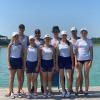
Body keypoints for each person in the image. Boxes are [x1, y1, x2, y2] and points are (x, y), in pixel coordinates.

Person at [6, 32, 25, 99]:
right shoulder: (10, 45)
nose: (16, 37)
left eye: (17, 36)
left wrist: (23, 64)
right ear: (13, 37)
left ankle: (19, 92)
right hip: (12, 61)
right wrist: (8, 64)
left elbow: (23, 55)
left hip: (19, 61)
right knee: (11, 78)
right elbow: (8, 55)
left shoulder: (21, 45)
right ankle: (11, 92)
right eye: (14, 36)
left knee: (19, 78)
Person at [75, 28, 93, 96]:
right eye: (82, 32)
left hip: (87, 59)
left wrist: (91, 61)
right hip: (79, 60)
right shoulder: (78, 41)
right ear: (81, 33)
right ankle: (76, 90)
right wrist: (76, 61)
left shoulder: (89, 41)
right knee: (78, 76)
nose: (83, 33)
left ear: (87, 33)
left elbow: (91, 52)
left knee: (86, 75)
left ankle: (86, 91)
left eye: (85, 32)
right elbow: (75, 52)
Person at [56, 31, 74, 98]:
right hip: (60, 60)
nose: (64, 36)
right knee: (61, 77)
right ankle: (63, 91)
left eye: (65, 35)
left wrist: (72, 64)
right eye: (63, 35)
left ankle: (69, 91)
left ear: (66, 35)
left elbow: (72, 54)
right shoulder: (59, 43)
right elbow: (57, 54)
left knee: (69, 77)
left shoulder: (70, 43)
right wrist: (56, 64)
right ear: (61, 36)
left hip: (68, 60)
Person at [70, 27, 83, 94]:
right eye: (72, 31)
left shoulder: (80, 39)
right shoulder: (68, 40)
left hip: (79, 58)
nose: (73, 32)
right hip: (70, 59)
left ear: (76, 31)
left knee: (80, 74)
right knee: (71, 74)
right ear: (71, 32)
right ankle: (71, 89)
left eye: (74, 31)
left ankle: (80, 88)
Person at [31, 29, 44, 93]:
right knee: (34, 75)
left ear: (40, 34)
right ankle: (33, 86)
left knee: (42, 75)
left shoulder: (43, 40)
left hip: (42, 59)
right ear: (35, 34)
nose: (37, 34)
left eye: (38, 33)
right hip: (34, 59)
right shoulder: (32, 40)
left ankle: (42, 87)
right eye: (36, 33)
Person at [18, 24, 29, 93]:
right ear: (18, 29)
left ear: (24, 29)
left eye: (22, 28)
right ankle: (18, 88)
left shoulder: (26, 37)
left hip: (25, 57)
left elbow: (29, 46)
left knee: (22, 73)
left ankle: (21, 88)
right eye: (20, 28)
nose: (21, 29)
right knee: (17, 74)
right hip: (17, 57)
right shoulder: (16, 36)